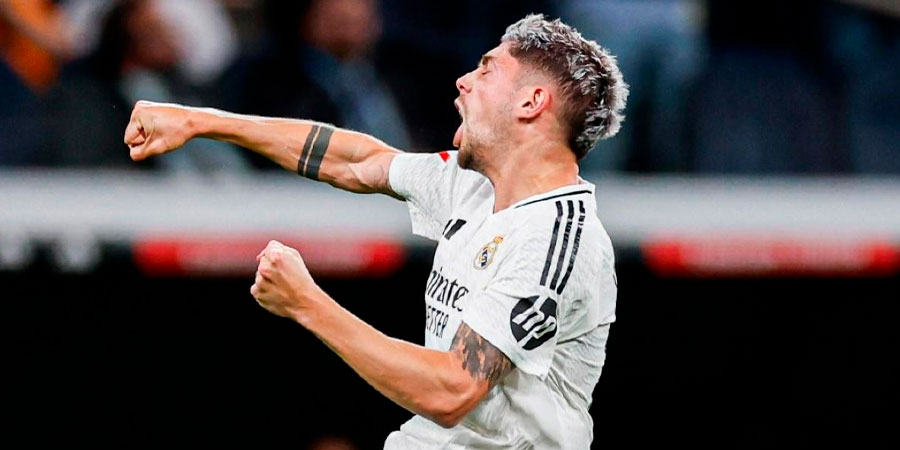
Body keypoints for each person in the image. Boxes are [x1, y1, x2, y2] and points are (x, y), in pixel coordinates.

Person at [123, 14, 627, 449]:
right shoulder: (471, 186)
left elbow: (452, 390)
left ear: (531, 102)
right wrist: (201, 121)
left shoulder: (556, 237)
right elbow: (358, 160)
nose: (463, 81)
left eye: (486, 70)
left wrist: (307, 304)